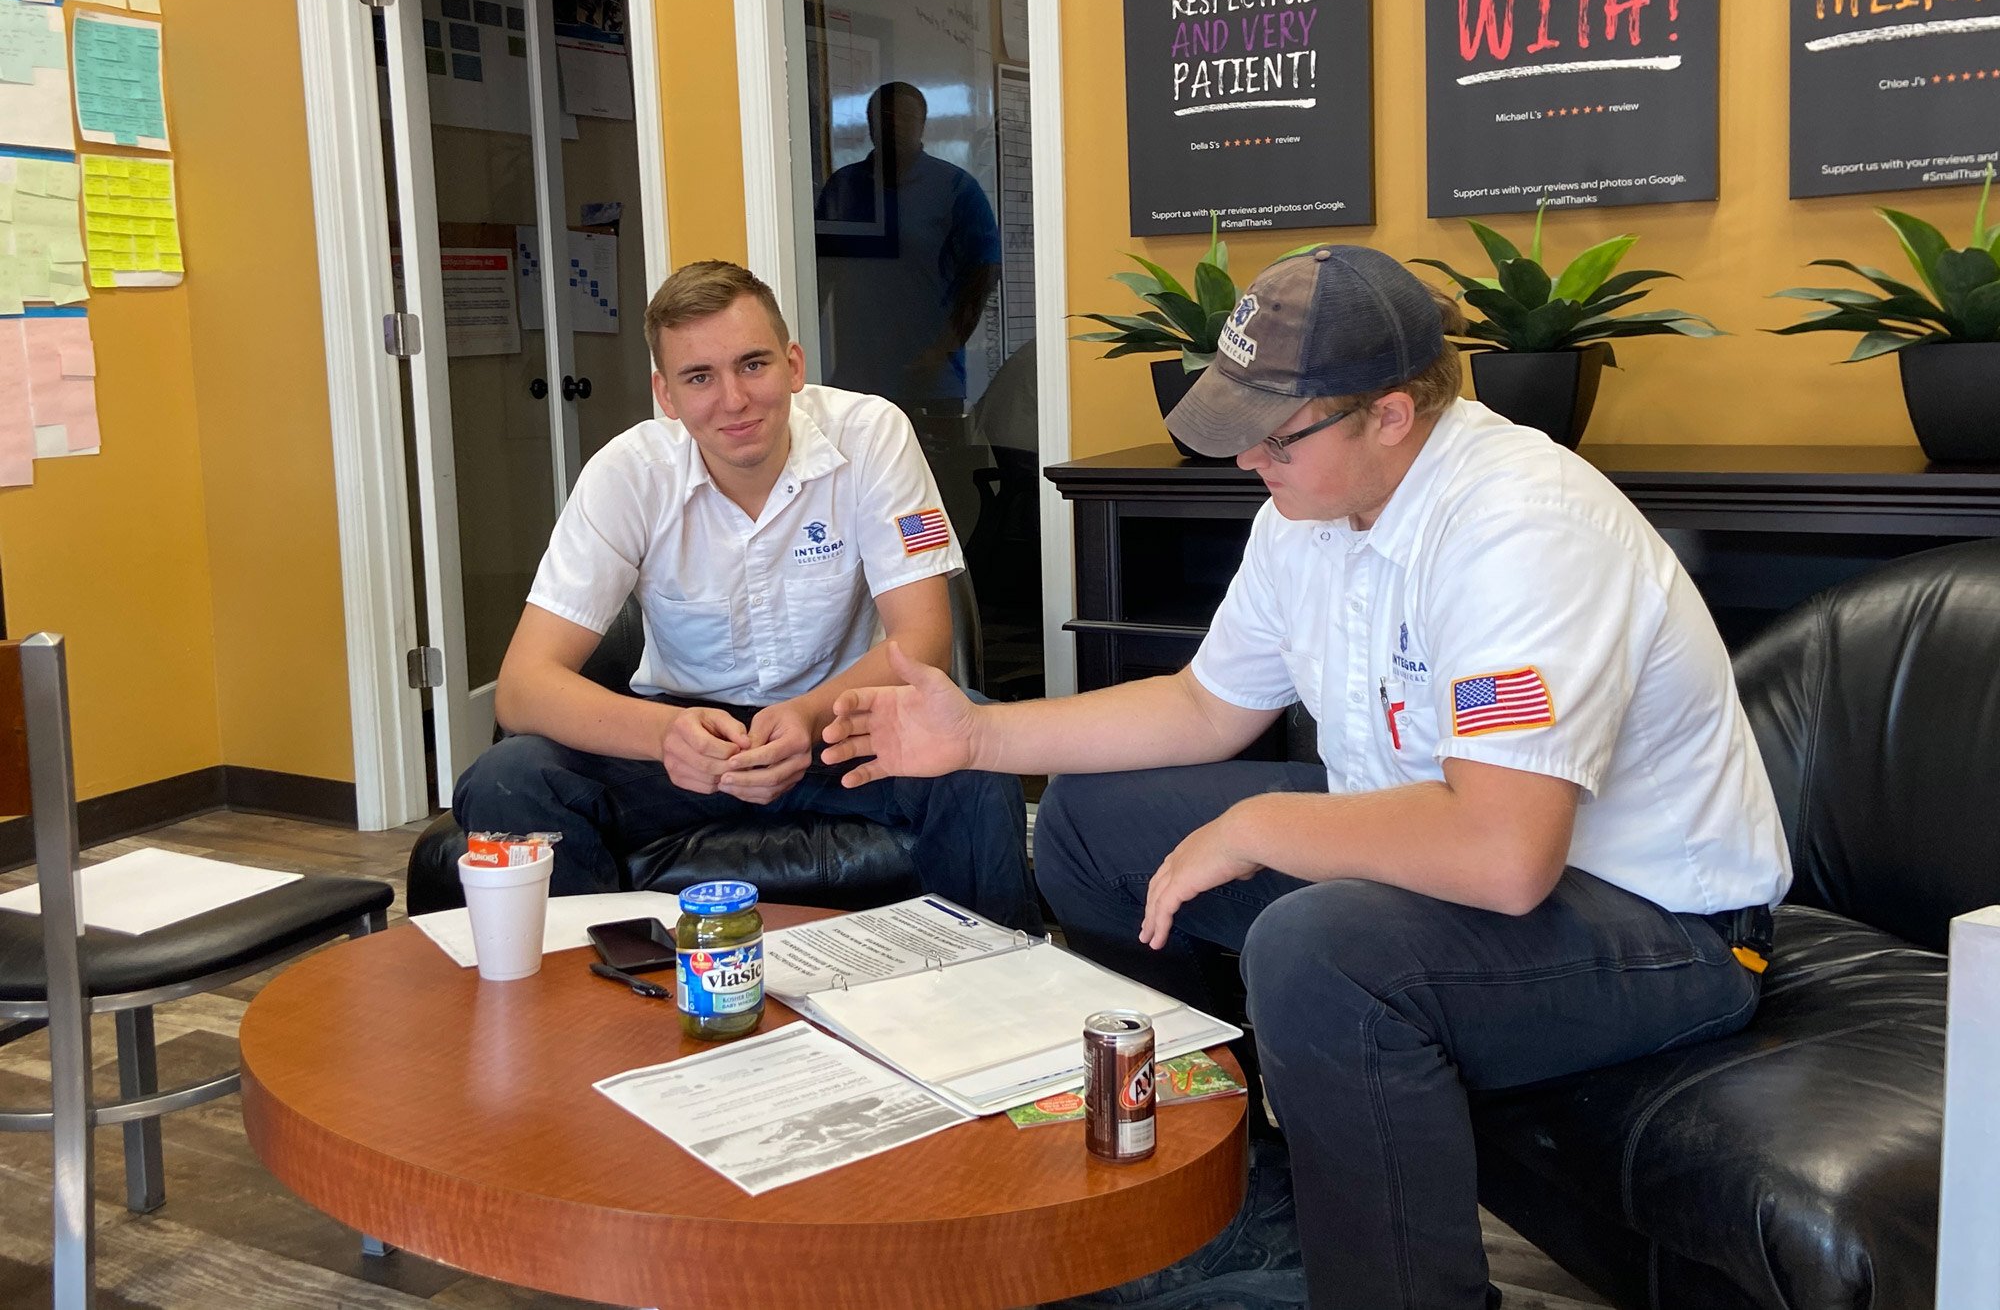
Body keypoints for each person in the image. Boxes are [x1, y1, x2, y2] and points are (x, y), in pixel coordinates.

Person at [820, 245, 1792, 1309]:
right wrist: (976, 737)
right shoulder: (1308, 512)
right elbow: (1203, 707)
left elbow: (1502, 854)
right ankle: (1235, 1200)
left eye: (1276, 435)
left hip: (1660, 928)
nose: (1248, 460)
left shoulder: (1522, 528)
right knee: (1088, 826)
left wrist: (1256, 826)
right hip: (1441, 853)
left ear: (1390, 415)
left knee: (1317, 950)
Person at [453, 259, 1038, 933]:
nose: (733, 400)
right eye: (699, 377)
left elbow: (923, 641)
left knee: (975, 752)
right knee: (508, 777)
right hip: (682, 740)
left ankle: (997, 977)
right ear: (666, 394)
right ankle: (604, 986)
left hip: (841, 723)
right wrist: (666, 736)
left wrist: (809, 717)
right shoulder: (627, 474)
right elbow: (523, 688)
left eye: (752, 365)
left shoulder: (872, 434)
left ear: (793, 365)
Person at [814, 80, 1002, 411]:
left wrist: (941, 350)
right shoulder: (843, 187)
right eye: (884, 117)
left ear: (922, 124)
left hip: (929, 382)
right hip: (856, 384)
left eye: (905, 117)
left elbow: (984, 273)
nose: (894, 125)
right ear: (870, 124)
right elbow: (818, 274)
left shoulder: (955, 188)